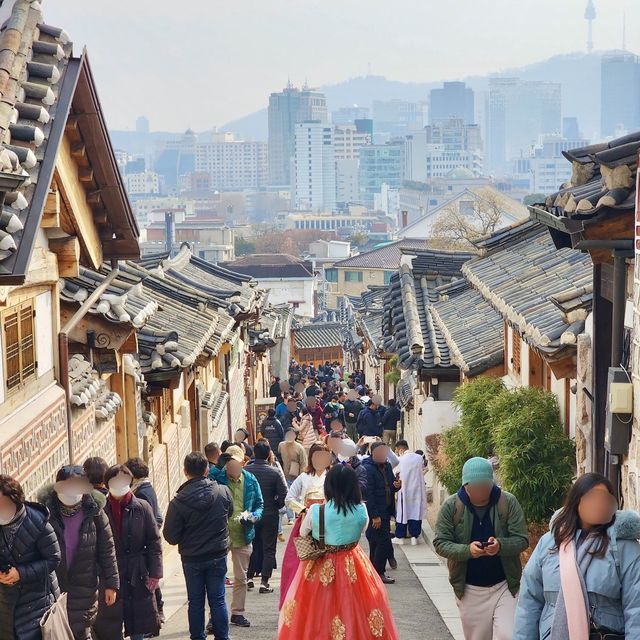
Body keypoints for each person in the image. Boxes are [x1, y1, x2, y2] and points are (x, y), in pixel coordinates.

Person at [278, 464, 399, 639]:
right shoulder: (361, 509)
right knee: (357, 607)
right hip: (354, 562)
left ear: (328, 485)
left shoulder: (316, 511)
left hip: (321, 563)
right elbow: (362, 529)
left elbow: (304, 532)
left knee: (318, 610)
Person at [514, 472, 640, 639]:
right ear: (576, 501)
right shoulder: (549, 543)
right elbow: (529, 603)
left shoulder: (624, 547)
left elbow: (636, 608)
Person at [433, 457, 528, 640]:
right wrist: (467, 551)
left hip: (505, 585)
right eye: (476, 487)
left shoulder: (507, 502)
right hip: (469, 588)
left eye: (485, 485)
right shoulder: (452, 506)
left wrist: (500, 545)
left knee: (508, 635)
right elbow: (441, 543)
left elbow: (522, 539)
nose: (481, 491)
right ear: (465, 485)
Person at [44, 465, 119, 640]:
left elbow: (107, 550)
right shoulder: (46, 513)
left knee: (81, 630)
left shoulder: (95, 513)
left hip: (84, 585)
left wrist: (112, 584)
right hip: (55, 587)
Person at [163, 452, 232, 640]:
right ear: (207, 469)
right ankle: (223, 637)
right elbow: (230, 512)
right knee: (218, 599)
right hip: (218, 554)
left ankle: (197, 637)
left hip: (192, 558)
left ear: (185, 472)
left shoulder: (178, 502)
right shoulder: (222, 491)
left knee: (195, 601)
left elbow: (170, 536)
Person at [94, 465, 162, 640]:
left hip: (137, 572)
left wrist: (155, 574)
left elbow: (154, 541)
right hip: (111, 573)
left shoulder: (142, 507)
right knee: (110, 624)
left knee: (138, 623)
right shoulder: (100, 511)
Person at [0, 475, 60, 640]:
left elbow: (54, 558)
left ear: (15, 501)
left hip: (38, 604)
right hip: (7, 606)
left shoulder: (39, 523)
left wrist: (21, 573)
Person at [214, 445, 264, 628]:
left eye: (236, 464)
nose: (232, 468)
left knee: (241, 577)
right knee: (217, 577)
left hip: (243, 533)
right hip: (220, 534)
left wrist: (254, 517)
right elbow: (206, 482)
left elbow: (259, 504)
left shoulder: (250, 480)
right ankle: (215, 616)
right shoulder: (218, 477)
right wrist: (217, 467)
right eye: (229, 464)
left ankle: (237, 613)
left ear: (243, 463)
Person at [279, 443, 331, 609]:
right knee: (299, 563)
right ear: (311, 457)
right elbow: (289, 499)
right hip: (306, 523)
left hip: (329, 522)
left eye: (323, 455)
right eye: (316, 456)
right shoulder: (304, 476)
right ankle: (301, 600)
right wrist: (302, 510)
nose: (320, 459)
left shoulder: (333, 475)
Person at [123, 457, 165, 625]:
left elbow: (150, 520)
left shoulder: (140, 493)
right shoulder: (147, 488)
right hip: (147, 546)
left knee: (149, 585)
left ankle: (156, 615)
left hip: (143, 548)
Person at [246, 441, 288, 594]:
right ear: (269, 453)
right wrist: (275, 505)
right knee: (269, 548)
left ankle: (249, 577)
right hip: (270, 514)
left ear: (254, 453)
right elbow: (284, 494)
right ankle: (264, 582)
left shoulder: (246, 471)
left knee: (252, 545)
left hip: (251, 514)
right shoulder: (274, 472)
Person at [362, 442, 399, 584]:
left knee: (377, 543)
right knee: (381, 542)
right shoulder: (367, 468)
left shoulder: (388, 466)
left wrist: (397, 486)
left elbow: (390, 485)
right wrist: (374, 515)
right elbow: (368, 494)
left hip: (386, 509)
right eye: (380, 452)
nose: (384, 455)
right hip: (376, 512)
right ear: (373, 453)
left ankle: (373, 573)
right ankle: (379, 572)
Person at [393, 440, 427, 546]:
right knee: (415, 512)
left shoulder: (401, 459)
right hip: (417, 490)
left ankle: (400, 536)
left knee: (403, 513)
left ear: (400, 449)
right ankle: (414, 537)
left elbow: (396, 472)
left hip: (405, 490)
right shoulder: (418, 458)